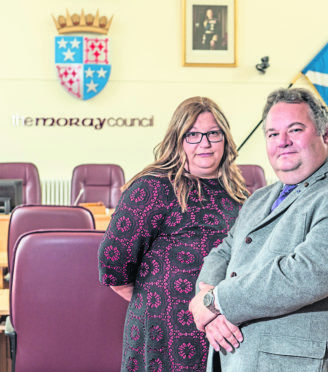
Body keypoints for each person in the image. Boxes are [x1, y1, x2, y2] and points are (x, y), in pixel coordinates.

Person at [189, 88, 328, 371]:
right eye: (272, 134)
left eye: (295, 130)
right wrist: (208, 299)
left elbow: (301, 276)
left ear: (326, 134)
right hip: (233, 360)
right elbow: (223, 251)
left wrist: (215, 302)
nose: (282, 142)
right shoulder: (259, 198)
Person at [98, 96, 248, 371]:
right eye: (192, 134)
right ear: (177, 140)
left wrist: (217, 310)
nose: (204, 143)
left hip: (228, 331)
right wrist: (160, 300)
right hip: (163, 332)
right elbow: (113, 261)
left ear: (225, 140)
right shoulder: (152, 188)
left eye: (213, 133)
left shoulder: (240, 196)